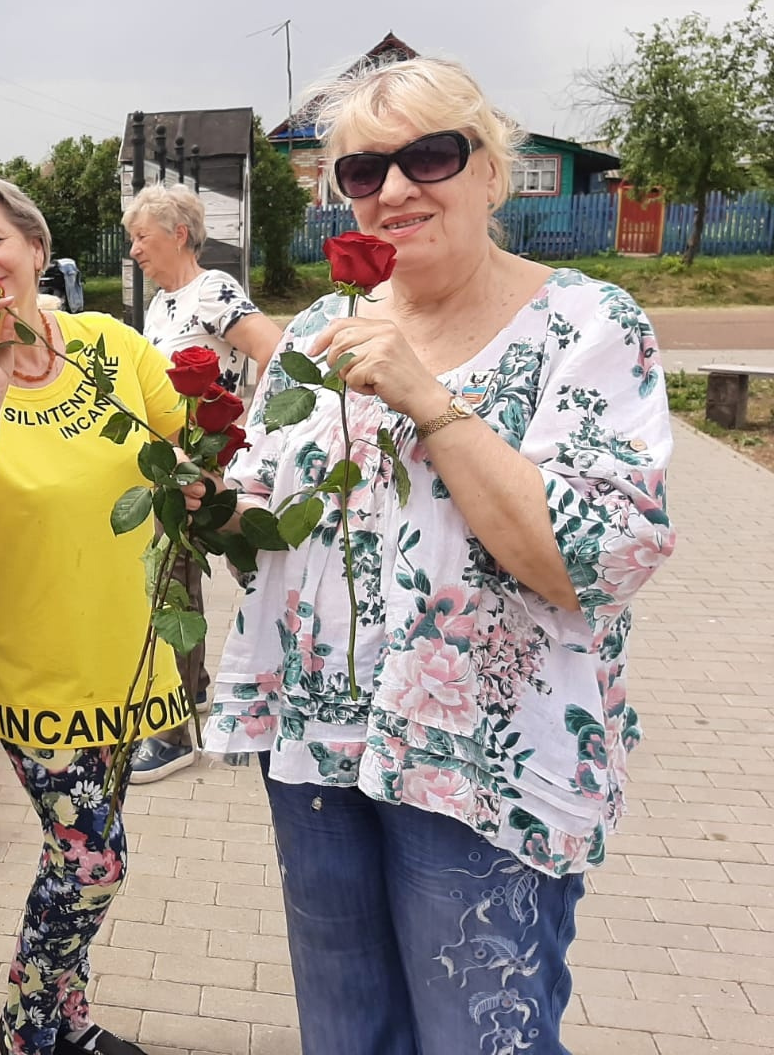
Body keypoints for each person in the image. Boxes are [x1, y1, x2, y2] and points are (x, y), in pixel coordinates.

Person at [200, 57, 677, 1055]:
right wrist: (208, 502)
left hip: (481, 756)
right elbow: (265, 518)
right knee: (344, 1028)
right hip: (319, 738)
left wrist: (427, 399)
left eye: (429, 155)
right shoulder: (322, 329)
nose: (394, 188)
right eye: (362, 170)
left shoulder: (585, 325)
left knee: (477, 1036)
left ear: (492, 171)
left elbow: (591, 563)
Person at [0, 170, 190, 1055]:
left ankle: (68, 1020)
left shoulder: (112, 345)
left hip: (126, 652)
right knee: (94, 863)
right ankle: (26, 1033)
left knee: (78, 855)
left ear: (34, 249)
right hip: (31, 664)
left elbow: (183, 448)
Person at [121, 182, 282, 783]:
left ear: (179, 234)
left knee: (188, 586)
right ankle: (193, 696)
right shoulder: (162, 306)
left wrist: (244, 428)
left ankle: (175, 734)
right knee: (178, 583)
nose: (134, 249)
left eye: (142, 237)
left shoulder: (212, 290)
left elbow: (274, 349)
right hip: (175, 469)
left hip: (209, 472)